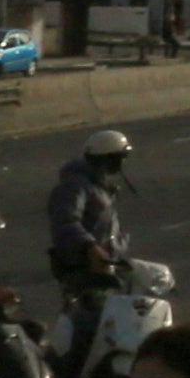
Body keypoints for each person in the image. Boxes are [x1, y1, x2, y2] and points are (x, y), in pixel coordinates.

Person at [45, 132, 134, 311]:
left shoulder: (97, 185)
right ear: (110, 159)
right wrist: (91, 247)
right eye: (120, 158)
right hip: (85, 271)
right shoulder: (76, 186)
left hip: (105, 268)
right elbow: (65, 220)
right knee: (91, 322)